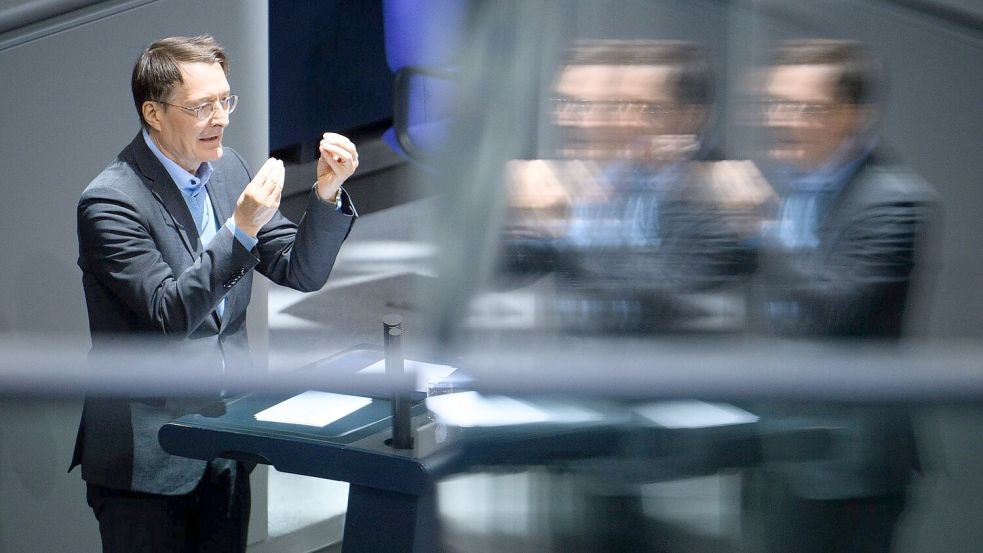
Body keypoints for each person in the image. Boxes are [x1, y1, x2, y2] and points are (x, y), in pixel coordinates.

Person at [68, 35, 359, 552]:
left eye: (226, 100)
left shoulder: (230, 172)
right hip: (148, 461)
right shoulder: (110, 203)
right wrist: (241, 229)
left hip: (227, 440)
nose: (221, 117)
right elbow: (169, 314)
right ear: (153, 113)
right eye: (202, 106)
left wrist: (326, 193)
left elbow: (300, 271)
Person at [743, 39, 939, 553]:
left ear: (854, 115)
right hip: (779, 447)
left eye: (803, 108)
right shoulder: (792, 190)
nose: (781, 121)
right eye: (774, 104)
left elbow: (833, 313)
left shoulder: (894, 200)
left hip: (849, 465)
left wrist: (761, 227)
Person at [501, 39, 769, 335]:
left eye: (647, 109)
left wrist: (571, 221)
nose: (626, 121)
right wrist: (509, 211)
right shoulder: (620, 176)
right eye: (621, 106)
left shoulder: (728, 192)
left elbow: (668, 296)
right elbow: (510, 267)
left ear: (690, 118)